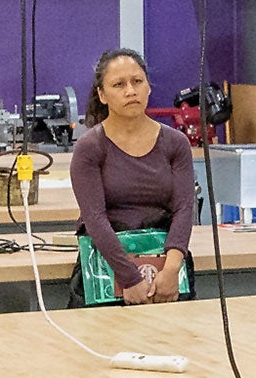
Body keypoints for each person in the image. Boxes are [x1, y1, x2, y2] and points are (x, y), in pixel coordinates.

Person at [69, 48, 197, 307]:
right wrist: (129, 278)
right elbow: (95, 218)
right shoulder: (90, 147)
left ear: (148, 87)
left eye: (137, 82)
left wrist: (171, 270)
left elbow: (184, 208)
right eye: (119, 85)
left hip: (167, 269)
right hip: (106, 268)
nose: (130, 91)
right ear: (102, 95)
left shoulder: (176, 143)